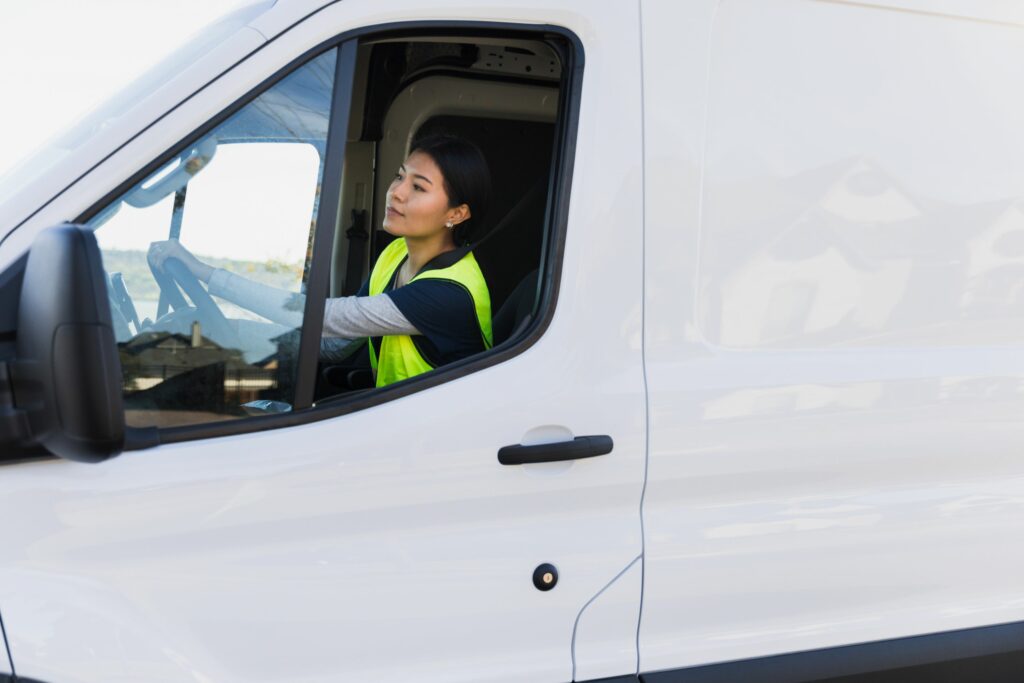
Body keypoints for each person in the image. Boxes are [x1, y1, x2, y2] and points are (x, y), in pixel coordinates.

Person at [148, 134, 493, 388]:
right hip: (396, 417)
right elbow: (338, 345)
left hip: (433, 444)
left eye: (418, 187)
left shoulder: (448, 294)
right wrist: (222, 332)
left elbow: (323, 320)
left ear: (457, 213)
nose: (397, 192)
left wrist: (205, 274)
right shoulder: (397, 253)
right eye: (400, 176)